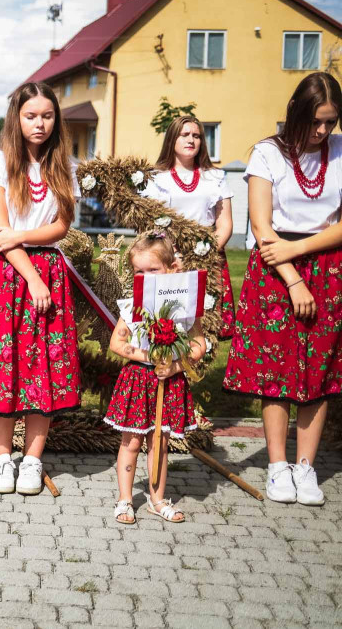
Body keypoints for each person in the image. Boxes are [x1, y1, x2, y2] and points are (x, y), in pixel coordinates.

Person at [224, 71, 342, 506]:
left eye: (331, 121)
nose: (323, 130)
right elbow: (261, 225)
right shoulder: (266, 154)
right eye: (316, 121)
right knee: (275, 372)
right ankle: (277, 466)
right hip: (275, 268)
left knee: (321, 370)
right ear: (296, 114)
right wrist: (294, 278)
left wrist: (307, 248)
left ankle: (306, 467)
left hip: (328, 268)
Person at [0, 82, 81, 496]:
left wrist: (21, 237)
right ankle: (2, 458)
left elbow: (62, 225)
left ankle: (32, 459)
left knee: (43, 366)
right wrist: (31, 276)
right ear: (16, 117)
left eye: (47, 116)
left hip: (48, 268)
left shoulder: (63, 163)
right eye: (31, 115)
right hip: (8, 275)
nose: (40, 124)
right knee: (4, 365)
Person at [105, 233, 205, 525]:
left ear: (172, 269)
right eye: (139, 271)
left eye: (153, 270)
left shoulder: (184, 307)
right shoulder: (132, 307)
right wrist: (146, 356)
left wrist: (175, 366)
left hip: (168, 381)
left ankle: (157, 499)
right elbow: (117, 344)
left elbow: (199, 344)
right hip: (138, 381)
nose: (146, 277)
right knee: (132, 442)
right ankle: (125, 499)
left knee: (159, 441)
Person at [143, 116, 235, 338]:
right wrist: (173, 256)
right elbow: (150, 224)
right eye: (185, 135)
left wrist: (204, 253)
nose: (191, 140)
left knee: (204, 323)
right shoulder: (157, 178)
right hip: (167, 257)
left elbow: (225, 222)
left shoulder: (215, 177)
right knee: (167, 320)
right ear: (172, 139)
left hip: (208, 256)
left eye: (196, 136)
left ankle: (197, 369)